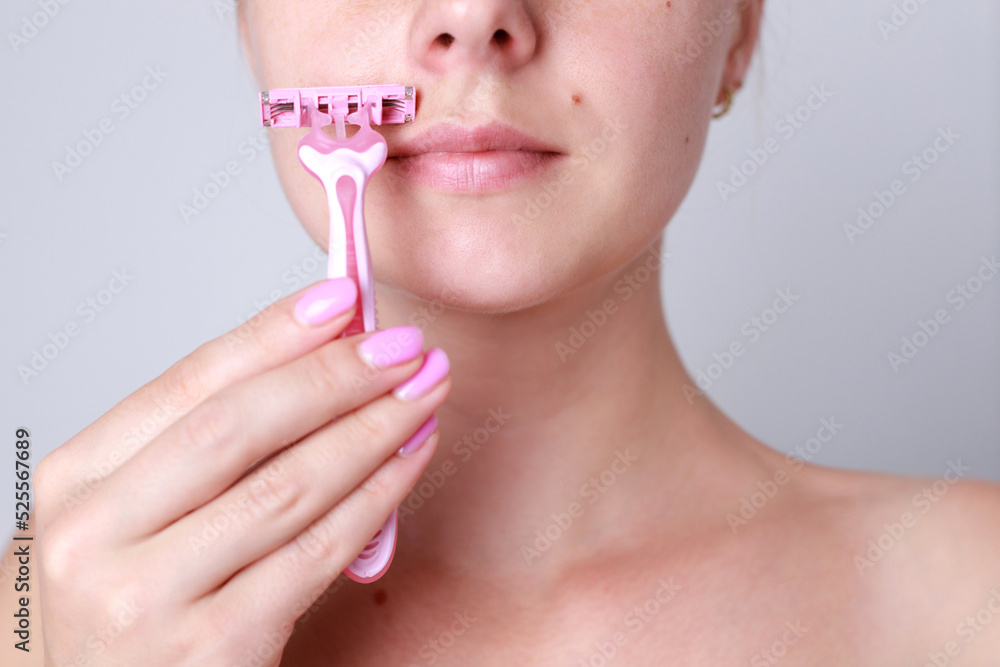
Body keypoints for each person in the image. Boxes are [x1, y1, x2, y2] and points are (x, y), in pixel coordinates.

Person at [5, 0, 1000, 664]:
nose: (475, 16)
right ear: (248, 24)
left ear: (735, 29)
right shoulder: (41, 607)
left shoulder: (971, 598)